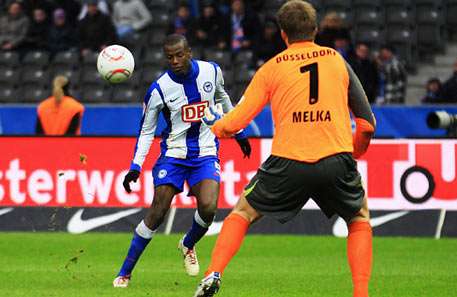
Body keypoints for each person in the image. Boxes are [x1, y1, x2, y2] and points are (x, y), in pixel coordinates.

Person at [193, 1, 375, 296]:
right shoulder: (337, 60)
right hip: (336, 159)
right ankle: (361, 293)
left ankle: (213, 273)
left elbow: (234, 122)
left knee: (242, 212)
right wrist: (353, 153)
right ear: (315, 30)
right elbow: (367, 124)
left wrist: (216, 126)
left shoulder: (271, 68)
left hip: (288, 161)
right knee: (359, 218)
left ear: (282, 34)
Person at [112, 34, 252, 288]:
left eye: (179, 55)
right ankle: (125, 272)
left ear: (189, 52)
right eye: (169, 57)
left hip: (205, 152)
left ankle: (188, 243)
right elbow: (146, 131)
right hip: (173, 155)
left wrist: (239, 131)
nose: (174, 61)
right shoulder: (158, 90)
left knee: (209, 207)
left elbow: (222, 98)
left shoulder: (212, 72)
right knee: (157, 211)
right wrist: (135, 166)